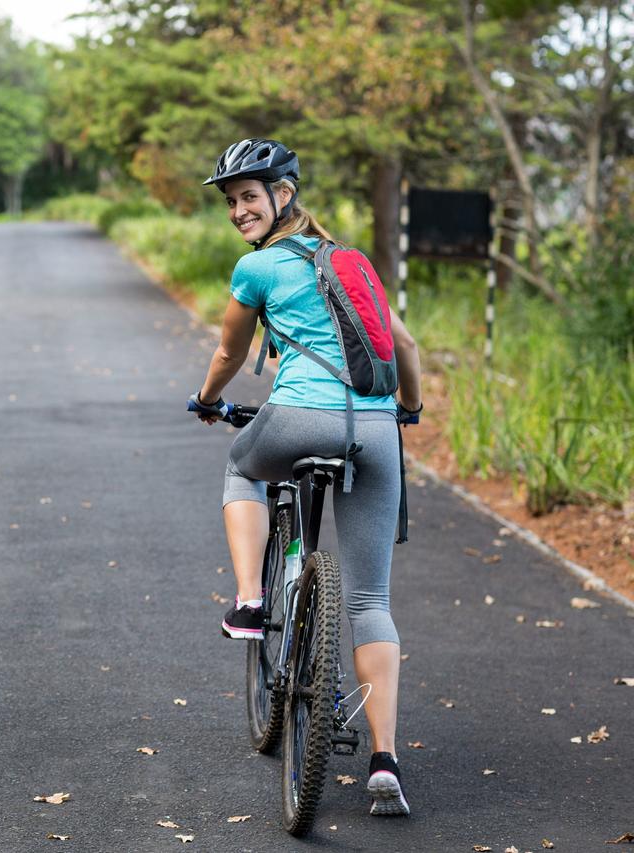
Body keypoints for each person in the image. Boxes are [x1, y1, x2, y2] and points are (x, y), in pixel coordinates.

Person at [190, 138, 423, 817]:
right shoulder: (353, 261)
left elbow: (231, 349)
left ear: (283, 196)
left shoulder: (255, 269)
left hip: (297, 418)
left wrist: (208, 399)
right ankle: (384, 760)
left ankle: (252, 599)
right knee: (369, 599)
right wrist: (406, 409)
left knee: (241, 469)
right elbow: (405, 345)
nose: (239, 210)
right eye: (232, 201)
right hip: (375, 433)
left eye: (250, 197)